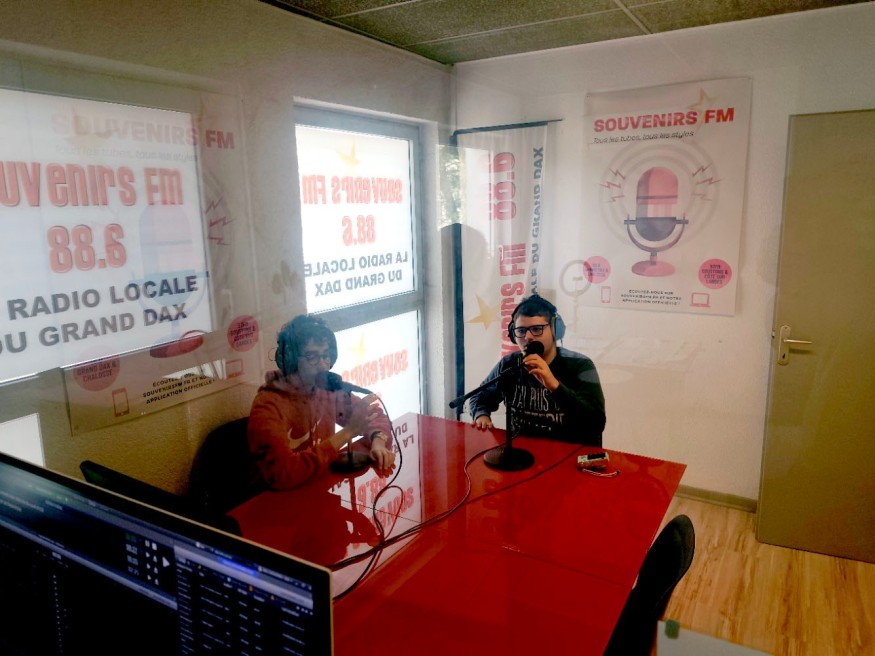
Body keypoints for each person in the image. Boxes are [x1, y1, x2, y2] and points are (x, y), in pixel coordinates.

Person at [248, 314, 395, 489]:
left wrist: (378, 442)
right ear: (290, 360)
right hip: (284, 498)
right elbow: (283, 473)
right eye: (312, 356)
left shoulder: (324, 389)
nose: (323, 364)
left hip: (321, 485)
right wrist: (348, 432)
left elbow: (373, 415)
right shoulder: (268, 407)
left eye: (326, 355)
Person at [467, 295, 606, 446]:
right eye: (521, 331)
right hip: (522, 453)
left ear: (555, 330)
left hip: (568, 453)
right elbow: (478, 397)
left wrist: (555, 386)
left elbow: (596, 423)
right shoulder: (510, 364)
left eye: (536, 329)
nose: (528, 337)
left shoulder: (580, 365)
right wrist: (481, 415)